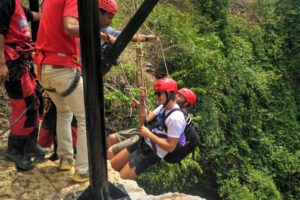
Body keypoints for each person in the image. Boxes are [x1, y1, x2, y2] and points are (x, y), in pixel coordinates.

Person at [34, 0, 89, 183]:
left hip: (43, 68)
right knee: (85, 117)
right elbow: (70, 26)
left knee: (64, 111)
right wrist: (94, 29)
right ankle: (83, 170)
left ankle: (66, 158)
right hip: (61, 68)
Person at [110, 78, 186, 180]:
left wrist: (149, 134)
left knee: (119, 180)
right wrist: (142, 101)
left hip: (150, 153)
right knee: (110, 168)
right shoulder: (162, 108)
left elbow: (170, 147)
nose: (157, 96)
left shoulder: (175, 118)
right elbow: (144, 122)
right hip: (141, 143)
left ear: (170, 94)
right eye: (156, 93)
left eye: (159, 94)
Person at [0, 0, 45, 170]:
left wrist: (52, 14)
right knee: (24, 106)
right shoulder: (5, 2)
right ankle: (15, 149)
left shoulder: (16, 4)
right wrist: (1, 63)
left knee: (36, 101)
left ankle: (30, 144)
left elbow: (32, 15)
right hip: (11, 61)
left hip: (22, 61)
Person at [107, 87, 197, 160]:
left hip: (151, 141)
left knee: (112, 152)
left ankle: (113, 171)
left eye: (180, 96)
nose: (176, 96)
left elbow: (173, 141)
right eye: (177, 94)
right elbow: (149, 119)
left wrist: (150, 135)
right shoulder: (165, 107)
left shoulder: (181, 118)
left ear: (187, 103)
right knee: (112, 138)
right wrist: (141, 104)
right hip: (145, 130)